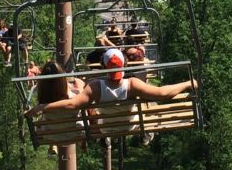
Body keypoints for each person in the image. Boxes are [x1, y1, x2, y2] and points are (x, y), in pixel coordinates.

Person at [26, 49, 197, 134]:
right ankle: (147, 133)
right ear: (125, 65)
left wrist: (42, 107)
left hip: (107, 128)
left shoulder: (94, 86)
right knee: (148, 103)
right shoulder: (132, 84)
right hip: (130, 125)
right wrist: (188, 83)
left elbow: (72, 104)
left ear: (103, 67)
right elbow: (163, 93)